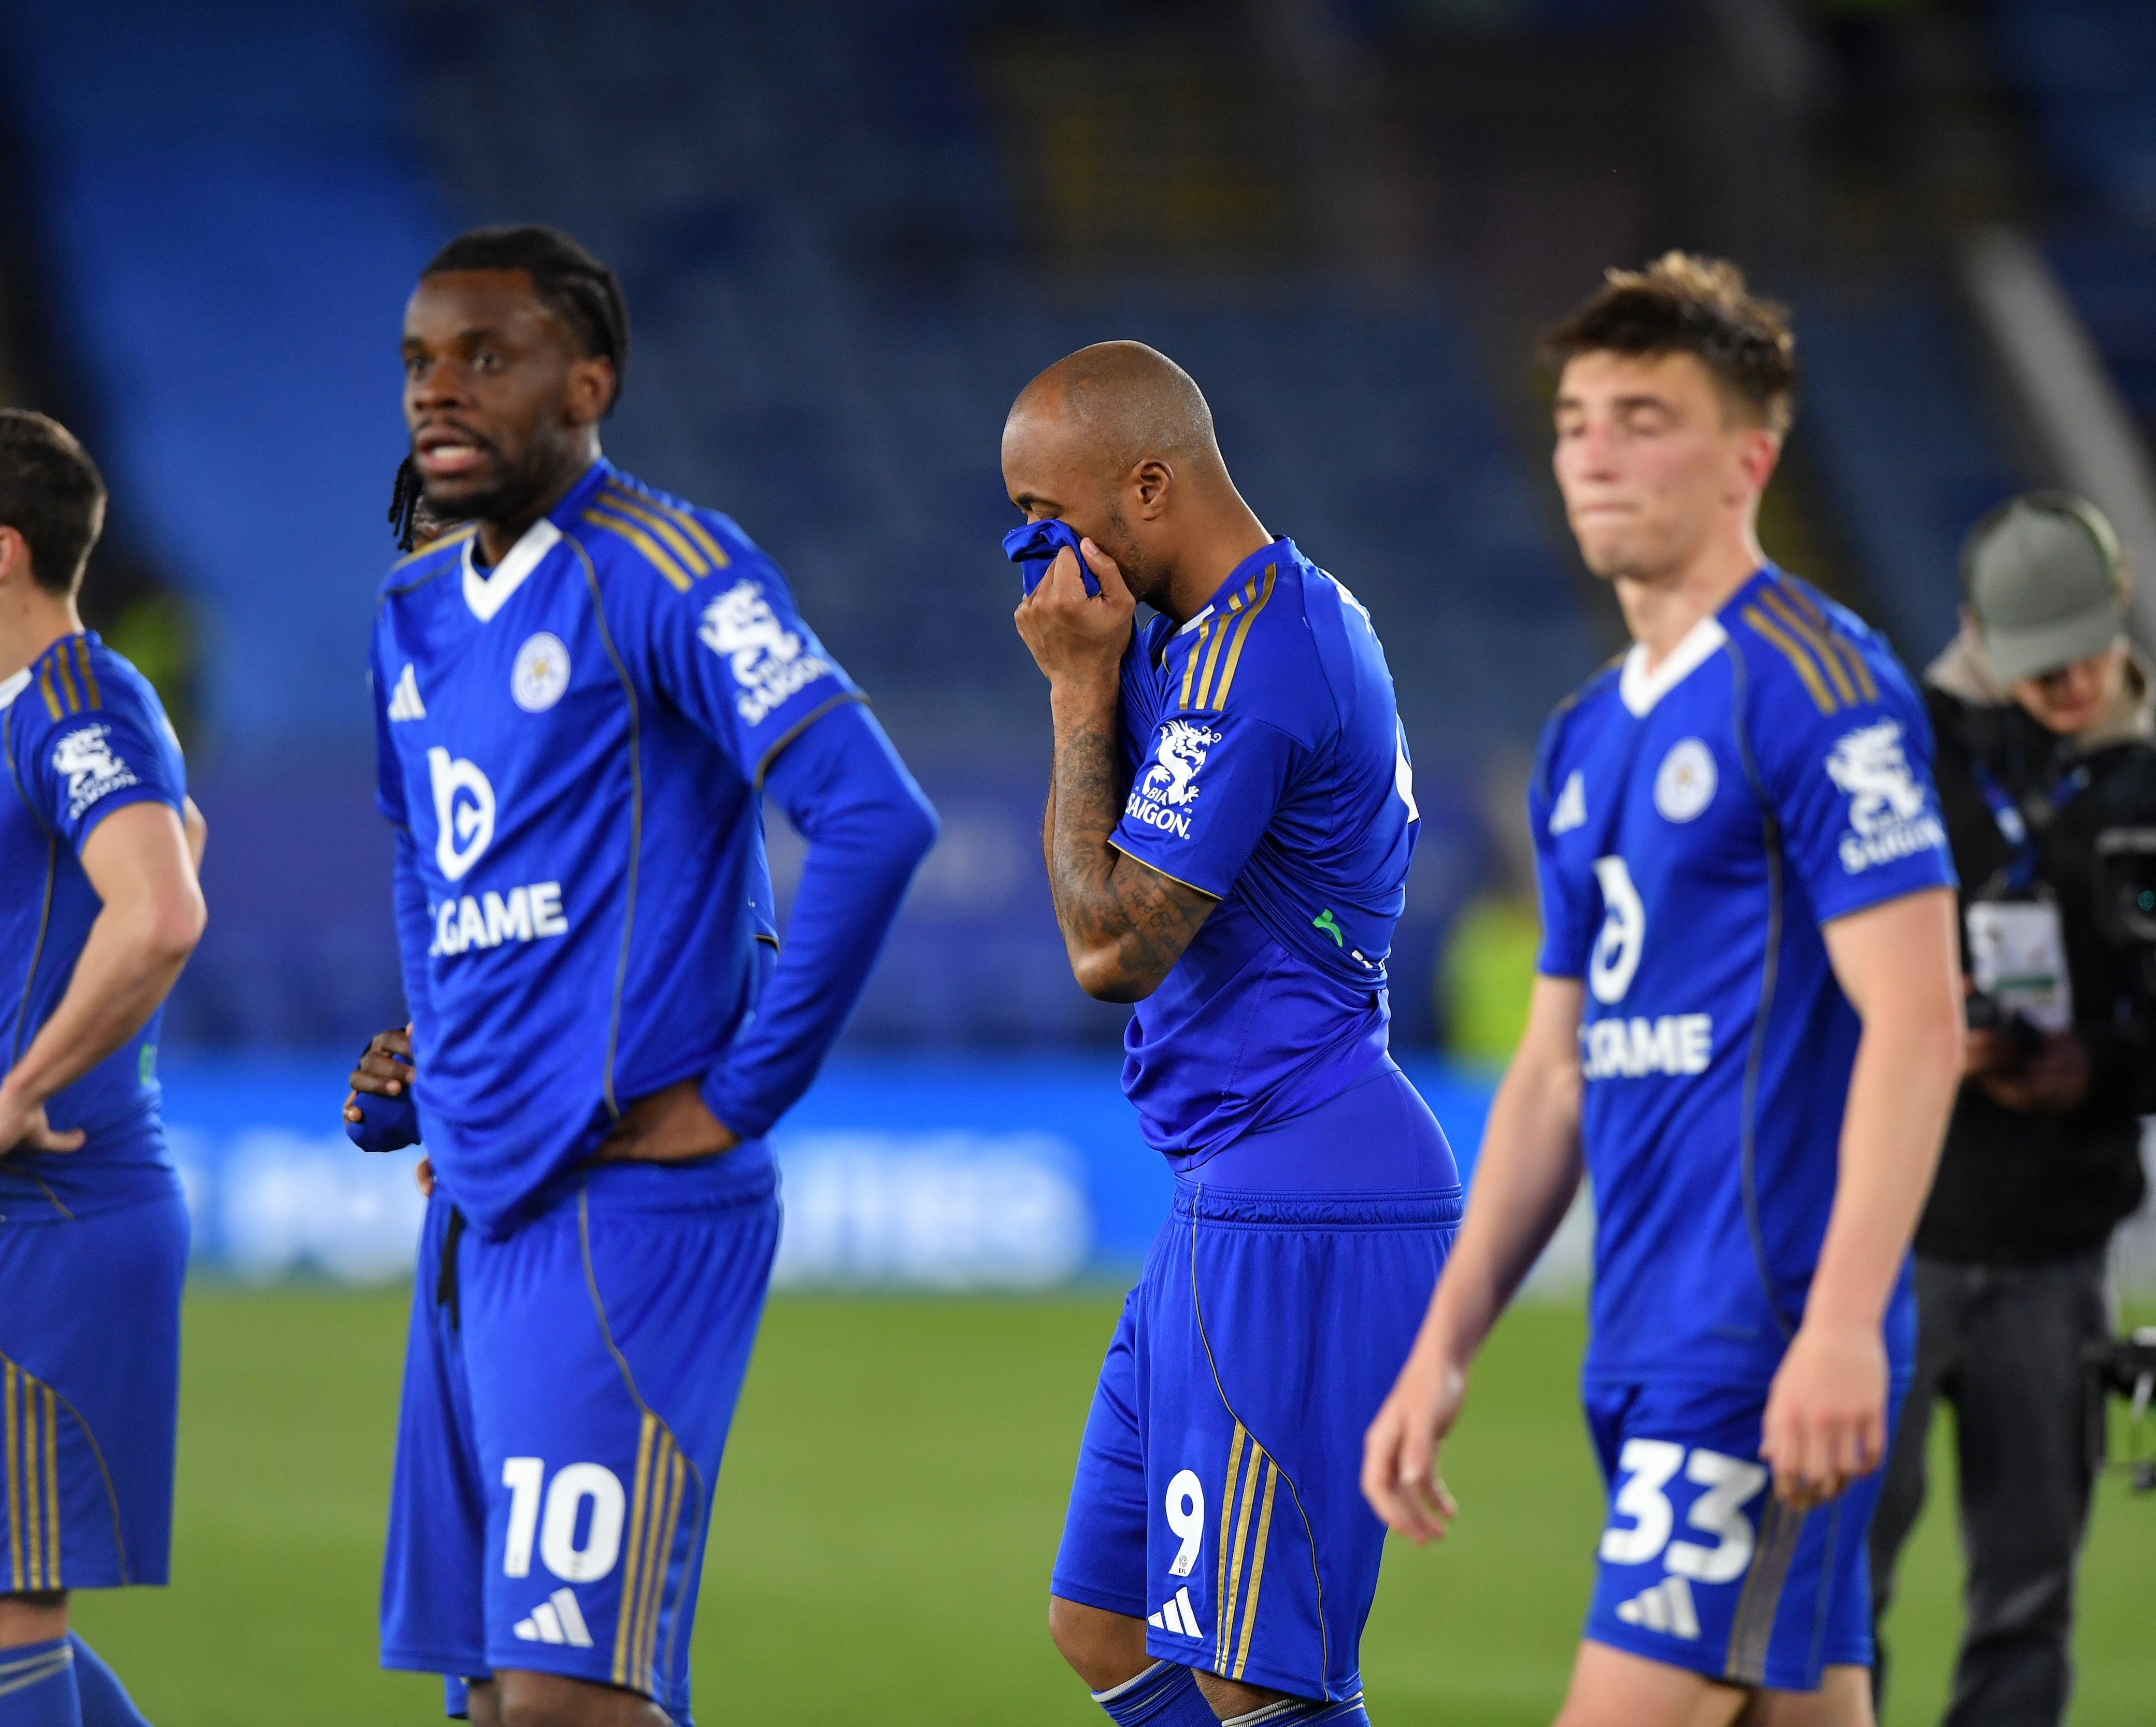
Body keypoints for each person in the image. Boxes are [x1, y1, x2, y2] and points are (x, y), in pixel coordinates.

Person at [339, 224, 937, 1727]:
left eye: (489, 355)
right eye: (421, 360)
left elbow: (872, 816)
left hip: (633, 1206)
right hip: (483, 1209)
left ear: (590, 378)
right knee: (496, 1701)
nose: (441, 391)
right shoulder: (409, 617)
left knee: (565, 1698)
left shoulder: (670, 565)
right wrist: (457, 1066)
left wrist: (740, 1093)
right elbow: (429, 865)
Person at [1362, 253, 1965, 1727]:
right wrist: (1443, 1342)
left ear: (1751, 456)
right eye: (1575, 419)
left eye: (1645, 415)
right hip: (1643, 1335)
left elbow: (1921, 1014)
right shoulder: (1582, 740)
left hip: (1755, 1339)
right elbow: (1556, 1073)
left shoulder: (1817, 682)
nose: (1594, 451)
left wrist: (1838, 1321)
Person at [1006, 340, 1456, 1727]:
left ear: (1149, 483)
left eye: (1050, 518)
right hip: (1231, 1186)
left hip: (1305, 1186)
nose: (1031, 563)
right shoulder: (1215, 636)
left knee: (1261, 1678)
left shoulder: (1267, 652)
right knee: (1107, 1621)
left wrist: (1077, 689)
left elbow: (1111, 946)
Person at [1864, 493, 2156, 1726]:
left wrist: (2095, 1067)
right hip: (1887, 1236)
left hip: (2059, 1246)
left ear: (2119, 610)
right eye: (2037, 657)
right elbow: (1807, 956)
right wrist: (1915, 1020)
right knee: (1831, 1586)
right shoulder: (1896, 758)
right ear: (1974, 632)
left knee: (2028, 1597)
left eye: (2082, 644)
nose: (2069, 678)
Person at [0, 410, 206, 1727]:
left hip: (46, 1216)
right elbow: (175, 849)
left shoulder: (76, 703)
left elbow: (163, 908)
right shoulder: (33, 714)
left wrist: (23, 1091)